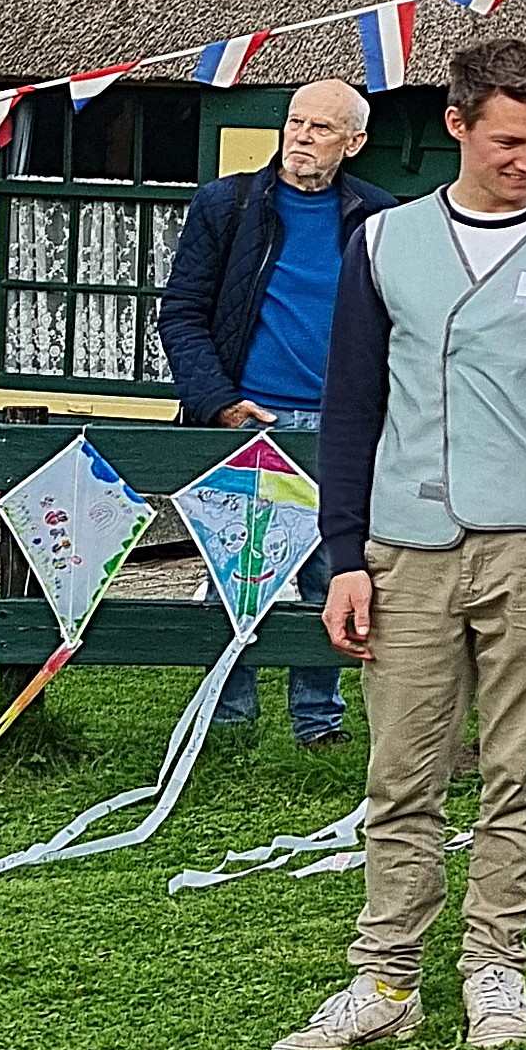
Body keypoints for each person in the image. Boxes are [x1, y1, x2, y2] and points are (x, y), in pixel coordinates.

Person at [275, 39, 526, 1050]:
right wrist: (344, 552)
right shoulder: (384, 243)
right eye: (509, 141)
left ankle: (497, 967)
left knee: (517, 772)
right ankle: (386, 977)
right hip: (406, 547)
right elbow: (350, 407)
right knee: (400, 773)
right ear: (457, 126)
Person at [155, 80, 394, 747]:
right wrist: (221, 402)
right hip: (248, 421)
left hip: (339, 426)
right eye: (295, 121)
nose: (302, 136)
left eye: (321, 127)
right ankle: (229, 719)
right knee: (235, 573)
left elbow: (402, 324)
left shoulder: (379, 217)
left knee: (333, 574)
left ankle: (318, 722)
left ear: (354, 142)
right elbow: (181, 314)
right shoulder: (226, 205)